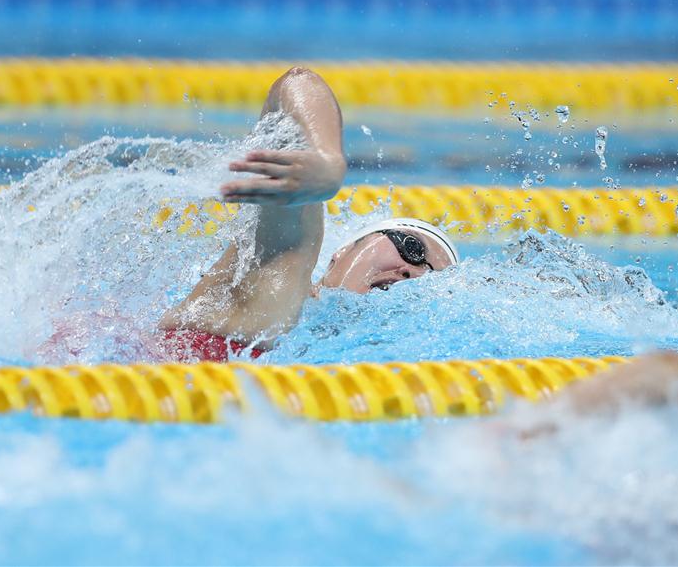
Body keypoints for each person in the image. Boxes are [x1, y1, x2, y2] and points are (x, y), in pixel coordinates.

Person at [158, 67, 458, 361]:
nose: (414, 273)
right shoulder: (280, 276)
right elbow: (297, 84)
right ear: (341, 252)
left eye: (430, 280)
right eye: (412, 248)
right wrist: (328, 162)